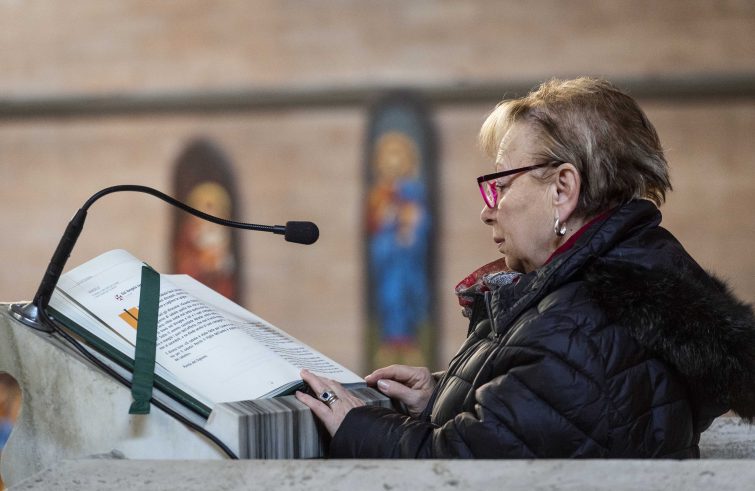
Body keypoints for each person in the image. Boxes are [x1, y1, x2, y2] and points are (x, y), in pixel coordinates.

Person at [296, 77, 755, 458]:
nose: (487, 210)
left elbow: (459, 467)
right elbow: (533, 426)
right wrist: (438, 396)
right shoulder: (616, 291)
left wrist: (357, 425)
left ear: (562, 190)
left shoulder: (578, 331)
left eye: (499, 183)